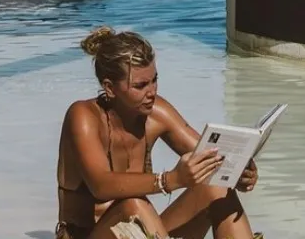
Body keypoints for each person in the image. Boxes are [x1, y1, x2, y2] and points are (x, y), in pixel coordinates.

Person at [56, 27, 258, 239]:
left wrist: (238, 170)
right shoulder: (83, 116)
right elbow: (100, 185)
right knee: (133, 205)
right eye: (140, 85)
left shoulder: (156, 113)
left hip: (143, 231)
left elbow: (211, 156)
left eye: (154, 80)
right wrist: (169, 180)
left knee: (217, 188)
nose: (151, 92)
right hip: (88, 235)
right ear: (109, 88)